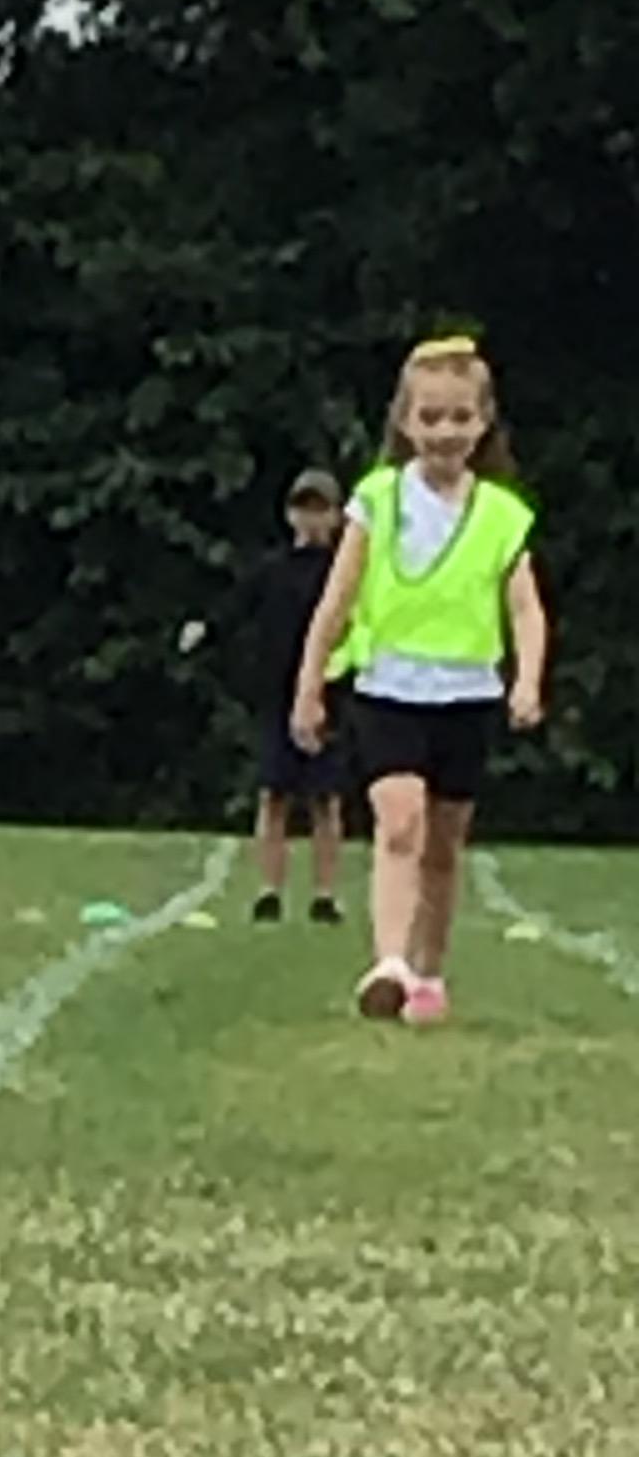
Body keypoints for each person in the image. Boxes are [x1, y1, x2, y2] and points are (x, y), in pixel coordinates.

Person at [292, 335, 547, 1025]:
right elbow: (337, 601)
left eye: (460, 417)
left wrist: (527, 680)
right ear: (404, 422)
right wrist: (309, 686)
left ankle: (430, 971)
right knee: (399, 820)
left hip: (466, 696)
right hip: (388, 690)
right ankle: (390, 963)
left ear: (483, 422)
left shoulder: (502, 515)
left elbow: (525, 607)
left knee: (442, 845)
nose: (445, 432)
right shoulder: (377, 501)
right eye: (429, 417)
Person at [182, 468, 353, 925]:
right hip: (278, 698)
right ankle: (269, 890)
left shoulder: (344, 573)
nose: (311, 519)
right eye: (303, 509)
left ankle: (325, 894)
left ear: (336, 516)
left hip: (330, 698)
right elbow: (236, 606)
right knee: (274, 796)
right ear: (290, 515)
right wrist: (205, 628)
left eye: (321, 509)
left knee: (325, 800)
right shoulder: (272, 570)